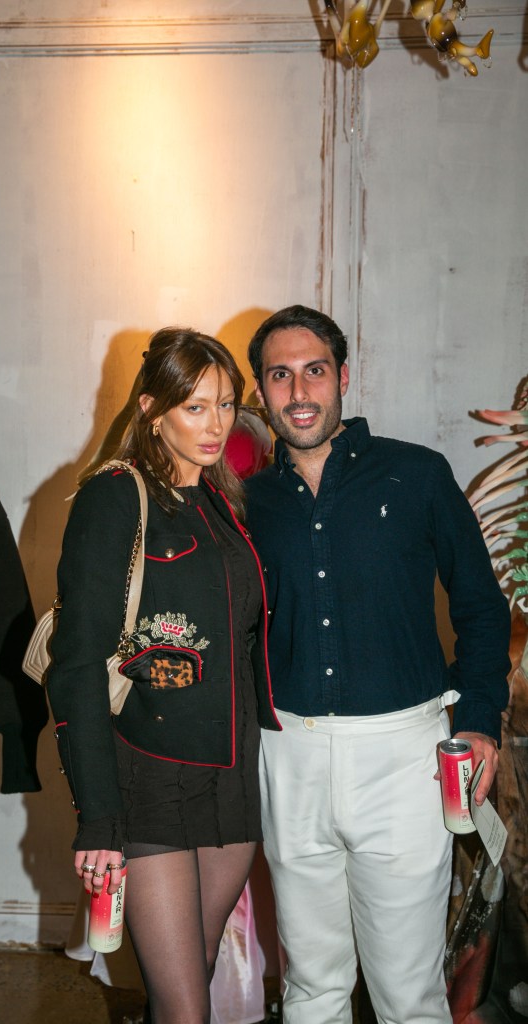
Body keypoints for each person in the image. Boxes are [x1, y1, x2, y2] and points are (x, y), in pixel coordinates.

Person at [243, 304, 511, 1024]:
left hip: (404, 759)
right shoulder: (247, 501)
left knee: (407, 995)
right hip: (287, 755)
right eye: (279, 375)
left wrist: (479, 720)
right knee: (311, 987)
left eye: (314, 370)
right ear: (260, 391)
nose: (299, 391)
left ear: (342, 376)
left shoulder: (415, 474)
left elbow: (480, 607)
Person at [46, 327, 281, 1024]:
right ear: (151, 409)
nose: (216, 426)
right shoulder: (116, 495)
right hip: (147, 774)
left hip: (231, 777)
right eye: (194, 407)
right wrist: (98, 818)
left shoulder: (222, 501)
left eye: (225, 405)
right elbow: (77, 662)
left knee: (196, 975)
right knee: (184, 1008)